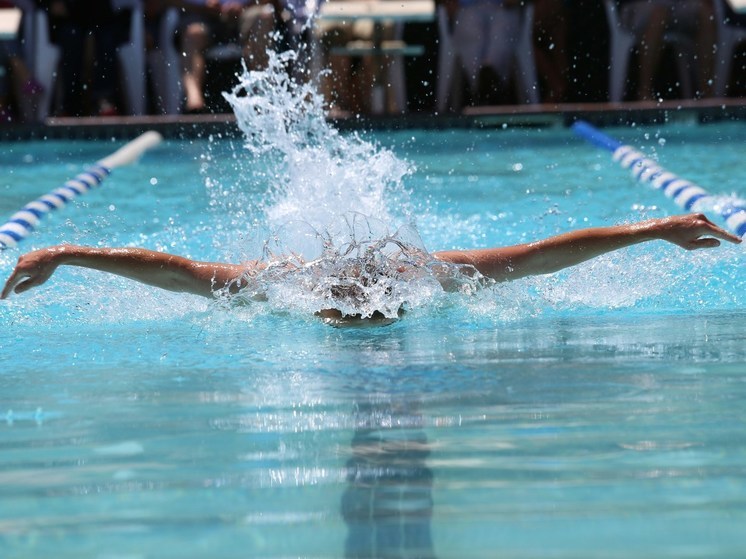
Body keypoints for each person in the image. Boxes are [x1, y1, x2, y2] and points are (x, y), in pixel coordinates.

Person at [1, 214, 741, 322]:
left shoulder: (429, 275)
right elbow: (177, 269)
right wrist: (63, 251)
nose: (362, 306)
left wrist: (657, 230)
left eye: (369, 294)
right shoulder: (282, 283)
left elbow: (545, 256)